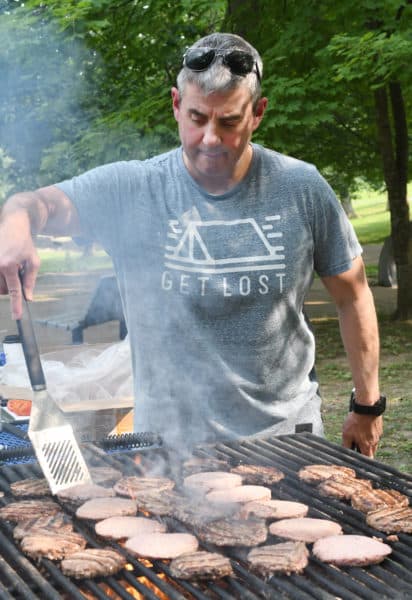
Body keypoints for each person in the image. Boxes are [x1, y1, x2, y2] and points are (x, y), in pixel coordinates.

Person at [0, 32, 383, 455]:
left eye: (229, 122)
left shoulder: (301, 188)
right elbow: (38, 204)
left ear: (258, 113)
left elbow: (353, 295)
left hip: (288, 439)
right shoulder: (133, 188)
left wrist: (368, 404)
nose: (211, 139)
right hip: (166, 452)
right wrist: (16, 222)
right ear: (176, 105)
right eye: (197, 118)